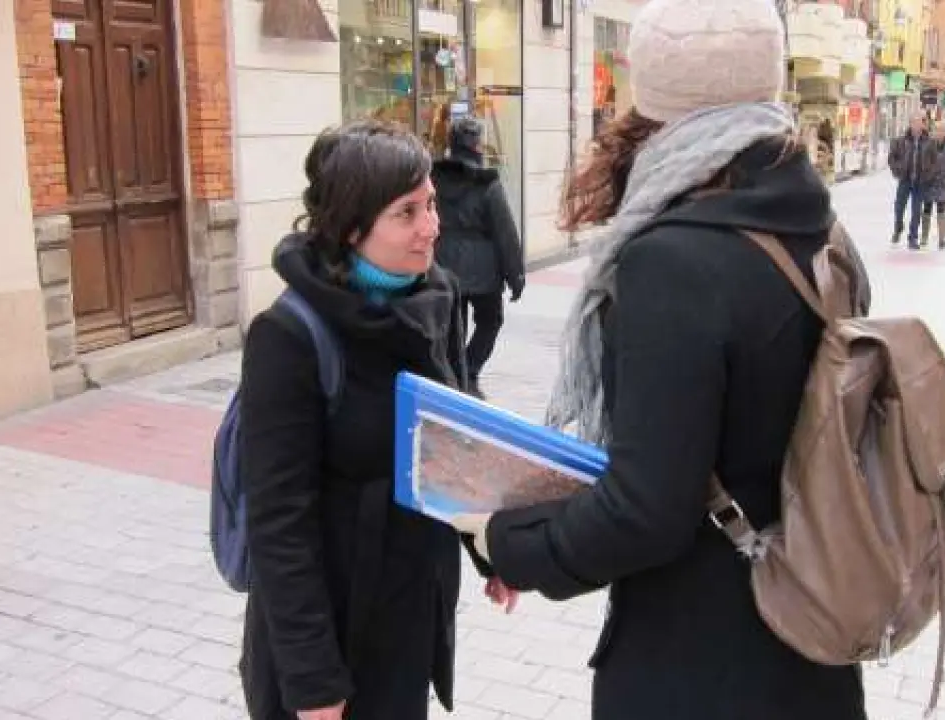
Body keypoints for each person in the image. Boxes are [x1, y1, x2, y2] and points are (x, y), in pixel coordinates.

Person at [449, 0, 872, 717]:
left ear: (653, 98)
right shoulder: (820, 230)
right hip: (809, 642)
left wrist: (507, 542)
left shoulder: (673, 262)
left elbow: (646, 511)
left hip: (699, 662)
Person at [237, 123, 517, 720]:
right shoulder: (289, 336)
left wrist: (493, 549)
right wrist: (314, 681)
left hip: (409, 617)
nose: (431, 226)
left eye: (431, 203)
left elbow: (454, 446)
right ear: (351, 227)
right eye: (407, 212)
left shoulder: (436, 300)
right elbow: (278, 523)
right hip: (328, 633)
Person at [430, 116, 525, 399]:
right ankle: (469, 371)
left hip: (443, 263)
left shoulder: (434, 179)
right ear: (477, 145)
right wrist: (515, 275)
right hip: (484, 270)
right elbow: (505, 233)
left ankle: (456, 374)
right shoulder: (487, 184)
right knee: (490, 321)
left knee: (453, 327)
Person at [888, 113, 929, 249]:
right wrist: (898, 170)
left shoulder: (929, 142)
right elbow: (892, 158)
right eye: (914, 123)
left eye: (919, 123)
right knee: (899, 208)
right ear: (910, 124)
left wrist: (928, 175)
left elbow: (934, 160)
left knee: (916, 211)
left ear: (923, 125)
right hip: (905, 180)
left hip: (920, 182)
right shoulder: (900, 141)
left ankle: (913, 238)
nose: (917, 126)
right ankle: (898, 227)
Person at [921, 120, 945, 250]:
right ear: (933, 132)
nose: (939, 133)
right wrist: (929, 172)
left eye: (942, 130)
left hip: (943, 183)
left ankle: (942, 239)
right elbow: (923, 162)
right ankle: (924, 238)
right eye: (937, 130)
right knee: (927, 208)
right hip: (930, 182)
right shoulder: (928, 145)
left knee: (941, 209)